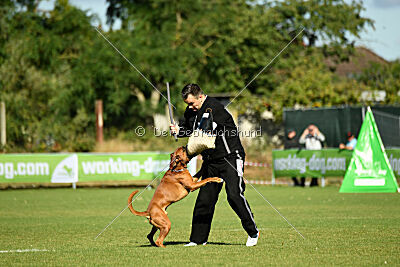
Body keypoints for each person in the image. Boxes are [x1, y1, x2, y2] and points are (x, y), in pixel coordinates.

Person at [170, 83, 259, 247]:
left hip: (231, 157)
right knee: (205, 200)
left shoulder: (214, 108)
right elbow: (190, 129)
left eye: (192, 103)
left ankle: (253, 231)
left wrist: (185, 133)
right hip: (211, 162)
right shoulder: (191, 112)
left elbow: (203, 131)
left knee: (234, 195)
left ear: (201, 96)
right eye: (187, 104)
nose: (191, 107)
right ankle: (197, 239)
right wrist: (178, 130)